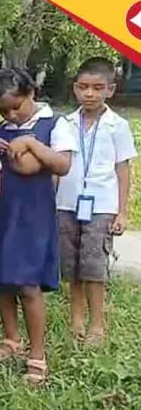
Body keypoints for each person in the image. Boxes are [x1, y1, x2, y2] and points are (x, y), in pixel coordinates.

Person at [0, 68, 75, 385]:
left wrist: (31, 143)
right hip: (0, 212)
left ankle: (37, 352)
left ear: (31, 93)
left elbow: (62, 164)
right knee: (1, 279)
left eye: (16, 106)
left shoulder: (54, 124)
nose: (11, 114)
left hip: (32, 215)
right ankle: (11, 338)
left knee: (28, 283)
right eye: (2, 109)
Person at [57, 57, 137, 346]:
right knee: (72, 266)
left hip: (101, 205)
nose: (89, 93)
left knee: (94, 267)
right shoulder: (64, 124)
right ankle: (76, 321)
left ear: (110, 90)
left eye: (97, 87)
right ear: (75, 89)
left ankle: (97, 325)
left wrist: (122, 212)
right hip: (66, 203)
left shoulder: (118, 126)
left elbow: (122, 168)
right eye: (83, 87)